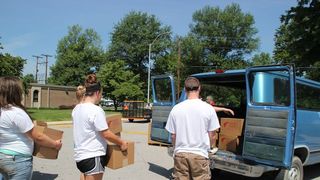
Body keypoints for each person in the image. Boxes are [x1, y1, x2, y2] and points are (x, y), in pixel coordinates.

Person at [0, 76, 62, 180]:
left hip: (3, 157)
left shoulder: (2, 111)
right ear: (15, 93)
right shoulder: (16, 113)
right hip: (18, 161)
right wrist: (55, 144)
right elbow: (38, 137)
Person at [72, 74, 128, 180]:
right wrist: (121, 142)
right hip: (93, 157)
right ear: (97, 93)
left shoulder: (77, 109)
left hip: (80, 158)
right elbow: (105, 133)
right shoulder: (96, 110)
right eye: (101, 94)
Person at [165, 77, 220, 180]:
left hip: (180, 154)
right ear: (199, 88)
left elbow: (173, 136)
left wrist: (176, 149)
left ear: (185, 90)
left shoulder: (176, 109)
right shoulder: (208, 108)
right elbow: (212, 135)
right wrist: (209, 148)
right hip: (199, 154)